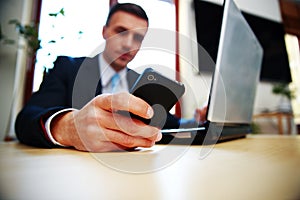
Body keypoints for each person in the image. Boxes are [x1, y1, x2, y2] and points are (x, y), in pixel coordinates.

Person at [15, 3, 206, 152]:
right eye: (121, 32)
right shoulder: (68, 68)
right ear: (105, 32)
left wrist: (197, 120)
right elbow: (27, 118)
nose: (128, 44)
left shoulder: (142, 81)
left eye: (138, 38)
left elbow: (170, 124)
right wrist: (67, 128)